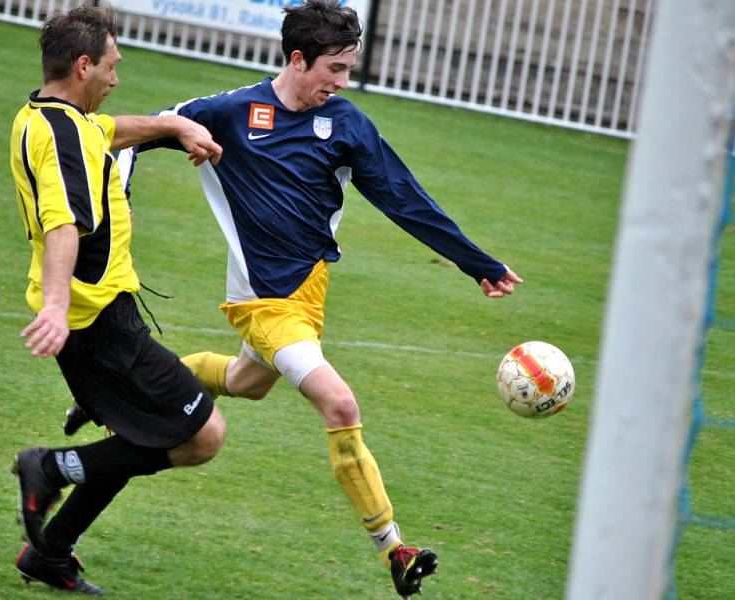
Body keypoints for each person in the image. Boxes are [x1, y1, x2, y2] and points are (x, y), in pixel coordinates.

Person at [71, 0, 522, 596]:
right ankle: (395, 550)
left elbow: (402, 197)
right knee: (340, 405)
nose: (340, 83)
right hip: (265, 304)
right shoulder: (232, 113)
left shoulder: (349, 124)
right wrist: (115, 193)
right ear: (297, 60)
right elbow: (136, 135)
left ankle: (126, 395)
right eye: (333, 69)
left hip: (309, 300)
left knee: (244, 381)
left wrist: (476, 263)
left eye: (348, 71)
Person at [9, 5, 226, 595]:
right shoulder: (65, 137)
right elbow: (63, 226)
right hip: (95, 323)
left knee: (134, 440)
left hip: (95, 318)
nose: (116, 77)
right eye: (111, 65)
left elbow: (112, 130)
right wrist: (55, 306)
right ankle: (50, 468)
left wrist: (174, 126)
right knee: (201, 434)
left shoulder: (47, 117)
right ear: (84, 65)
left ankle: (49, 553)